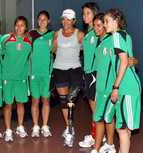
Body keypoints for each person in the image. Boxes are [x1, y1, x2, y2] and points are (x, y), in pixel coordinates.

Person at [103, 9, 141, 153]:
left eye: (107, 21)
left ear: (116, 21)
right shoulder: (126, 36)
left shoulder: (117, 36)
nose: (105, 24)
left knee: (122, 129)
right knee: (125, 128)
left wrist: (115, 87)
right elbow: (128, 60)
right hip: (129, 85)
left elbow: (124, 62)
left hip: (127, 87)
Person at [52, 9, 84, 145]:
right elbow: (53, 50)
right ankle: (69, 128)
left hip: (74, 70)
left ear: (74, 21)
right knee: (63, 101)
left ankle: (70, 131)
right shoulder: (56, 34)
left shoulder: (80, 34)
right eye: (64, 18)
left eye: (69, 19)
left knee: (71, 101)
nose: (66, 21)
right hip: (59, 69)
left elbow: (89, 49)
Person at [2, 16, 32, 141]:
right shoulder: (6, 39)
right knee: (8, 105)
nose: (19, 27)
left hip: (21, 78)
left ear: (26, 27)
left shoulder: (29, 40)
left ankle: (20, 126)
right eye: (17, 25)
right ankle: (8, 130)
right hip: (8, 77)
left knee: (20, 104)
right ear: (14, 26)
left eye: (22, 25)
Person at [91, 13, 116, 153]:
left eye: (99, 25)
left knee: (105, 117)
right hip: (99, 88)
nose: (96, 28)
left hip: (109, 88)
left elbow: (124, 60)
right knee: (100, 117)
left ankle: (108, 145)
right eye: (94, 25)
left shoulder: (112, 40)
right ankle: (101, 146)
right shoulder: (98, 41)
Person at [29, 10, 54, 138]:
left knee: (46, 100)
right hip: (33, 73)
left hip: (47, 73)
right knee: (35, 101)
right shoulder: (31, 34)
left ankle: (44, 125)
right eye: (40, 19)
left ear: (48, 21)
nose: (42, 21)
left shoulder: (53, 34)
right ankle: (35, 126)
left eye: (45, 19)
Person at [79, 2, 100, 148]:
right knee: (94, 108)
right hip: (87, 74)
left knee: (96, 109)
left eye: (87, 13)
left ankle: (97, 137)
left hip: (95, 74)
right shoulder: (87, 35)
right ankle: (97, 135)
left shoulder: (98, 34)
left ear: (94, 15)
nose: (84, 16)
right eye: (83, 13)